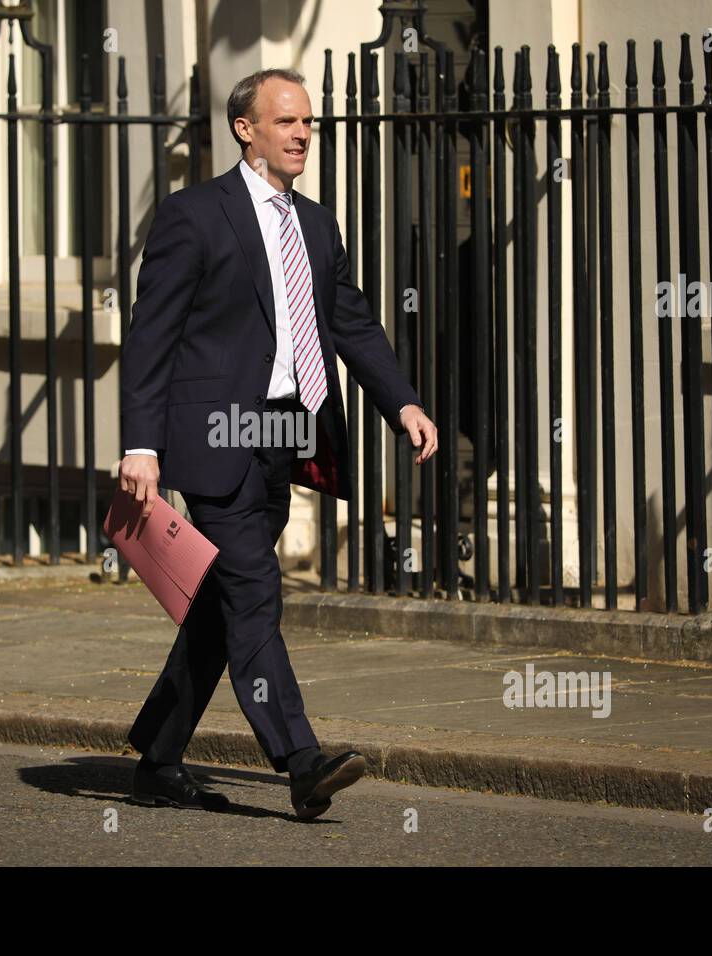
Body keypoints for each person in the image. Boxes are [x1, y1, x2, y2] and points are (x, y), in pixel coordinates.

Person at [118, 67, 438, 820]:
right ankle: (300, 761)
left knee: (223, 604)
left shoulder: (317, 224)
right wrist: (141, 445)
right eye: (287, 122)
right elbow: (150, 339)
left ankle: (159, 758)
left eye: (309, 124)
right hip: (213, 436)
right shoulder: (194, 215)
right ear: (246, 129)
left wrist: (404, 403)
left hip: (283, 436)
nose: (301, 135)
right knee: (255, 590)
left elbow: (350, 324)